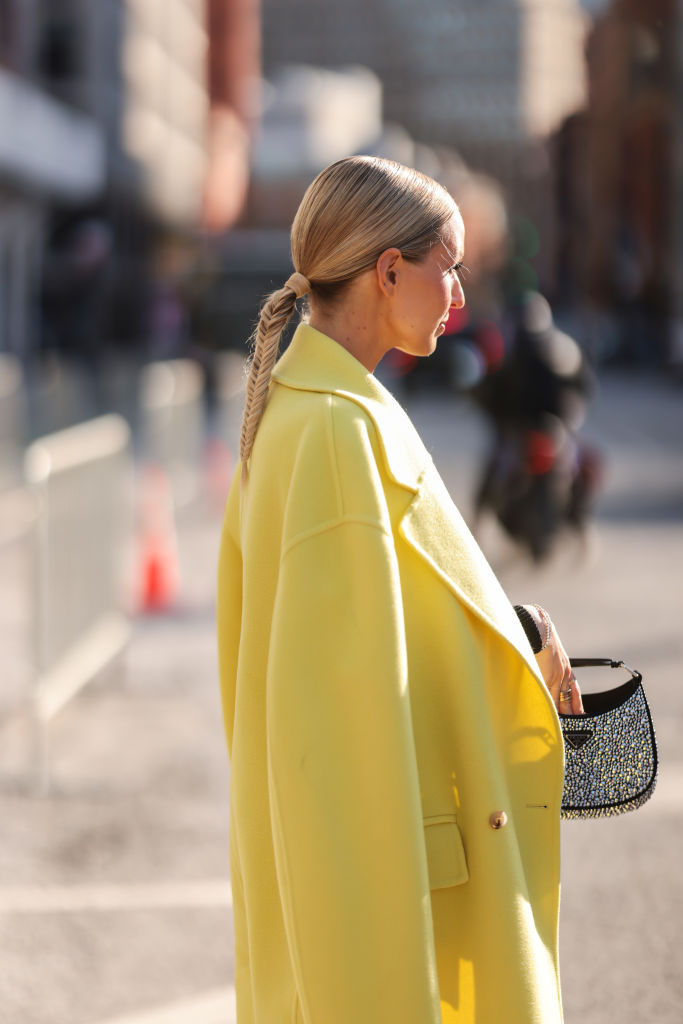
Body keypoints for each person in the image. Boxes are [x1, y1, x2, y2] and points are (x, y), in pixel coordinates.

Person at [216, 155, 583, 1024]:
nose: (458, 292)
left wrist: (513, 628)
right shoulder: (338, 432)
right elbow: (338, 752)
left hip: (397, 897)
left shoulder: (304, 410)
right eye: (447, 266)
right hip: (397, 928)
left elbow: (382, 628)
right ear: (388, 272)